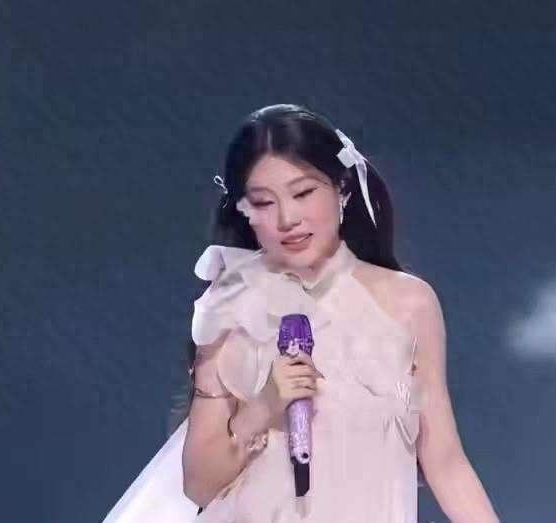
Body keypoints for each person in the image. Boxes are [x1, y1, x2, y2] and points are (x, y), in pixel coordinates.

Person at [107, 104, 499, 523]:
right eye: (264, 202)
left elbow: (445, 462)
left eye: (303, 193)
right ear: (244, 209)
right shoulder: (229, 306)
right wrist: (263, 407)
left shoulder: (409, 304)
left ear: (342, 189)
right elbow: (198, 485)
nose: (287, 219)